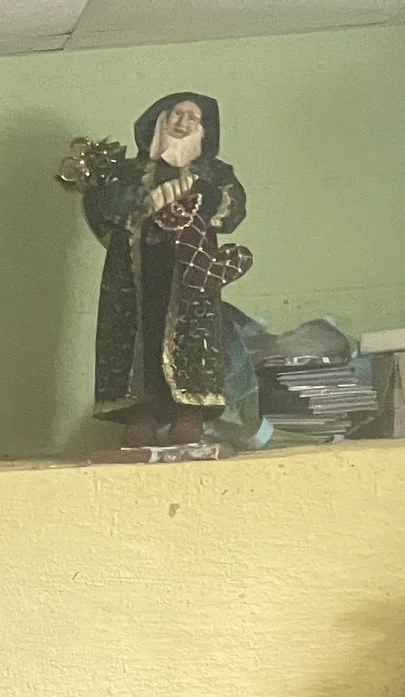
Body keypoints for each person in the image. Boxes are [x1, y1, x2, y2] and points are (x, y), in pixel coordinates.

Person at [60, 92, 252, 447]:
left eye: (192, 117)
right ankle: (140, 414)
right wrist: (125, 201)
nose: (183, 122)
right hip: (135, 271)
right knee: (135, 336)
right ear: (160, 121)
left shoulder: (214, 174)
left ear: (203, 129)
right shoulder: (130, 173)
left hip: (188, 271)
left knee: (191, 336)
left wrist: (201, 199)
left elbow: (232, 209)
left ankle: (188, 413)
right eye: (177, 114)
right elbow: (104, 212)